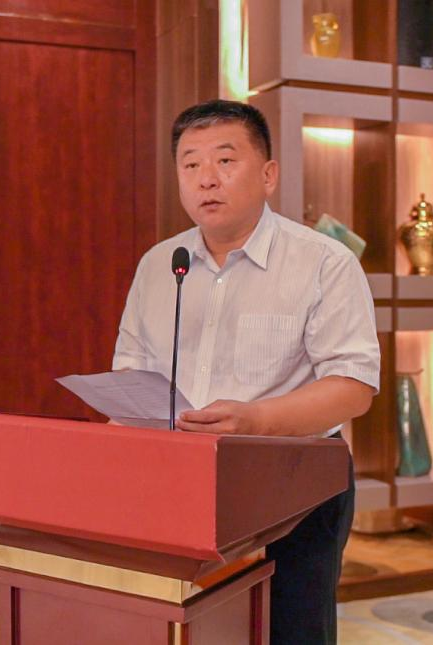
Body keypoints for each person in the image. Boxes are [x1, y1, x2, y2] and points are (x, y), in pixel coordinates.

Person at [112, 99, 381, 644]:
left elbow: (353, 388)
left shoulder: (324, 262)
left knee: (290, 630)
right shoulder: (160, 265)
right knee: (189, 629)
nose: (206, 179)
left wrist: (254, 419)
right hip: (177, 481)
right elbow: (131, 372)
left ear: (268, 175)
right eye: (190, 164)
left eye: (225, 160)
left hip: (294, 486)